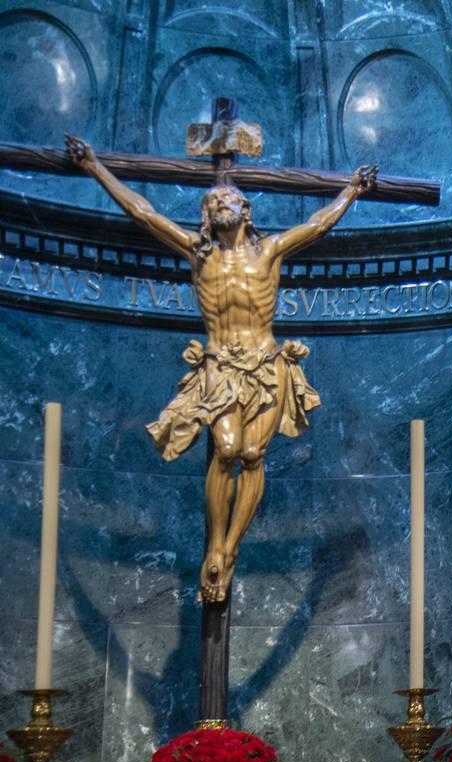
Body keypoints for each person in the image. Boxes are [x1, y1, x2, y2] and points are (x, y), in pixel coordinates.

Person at [65, 135, 375, 603]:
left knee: (253, 455)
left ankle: (226, 551)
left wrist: (350, 192)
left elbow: (316, 225)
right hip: (219, 368)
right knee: (226, 448)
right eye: (214, 201)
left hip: (267, 367)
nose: (222, 203)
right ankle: (215, 540)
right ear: (207, 215)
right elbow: (143, 212)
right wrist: (94, 168)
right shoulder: (198, 253)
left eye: (230, 199)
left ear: (245, 211)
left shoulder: (268, 252)